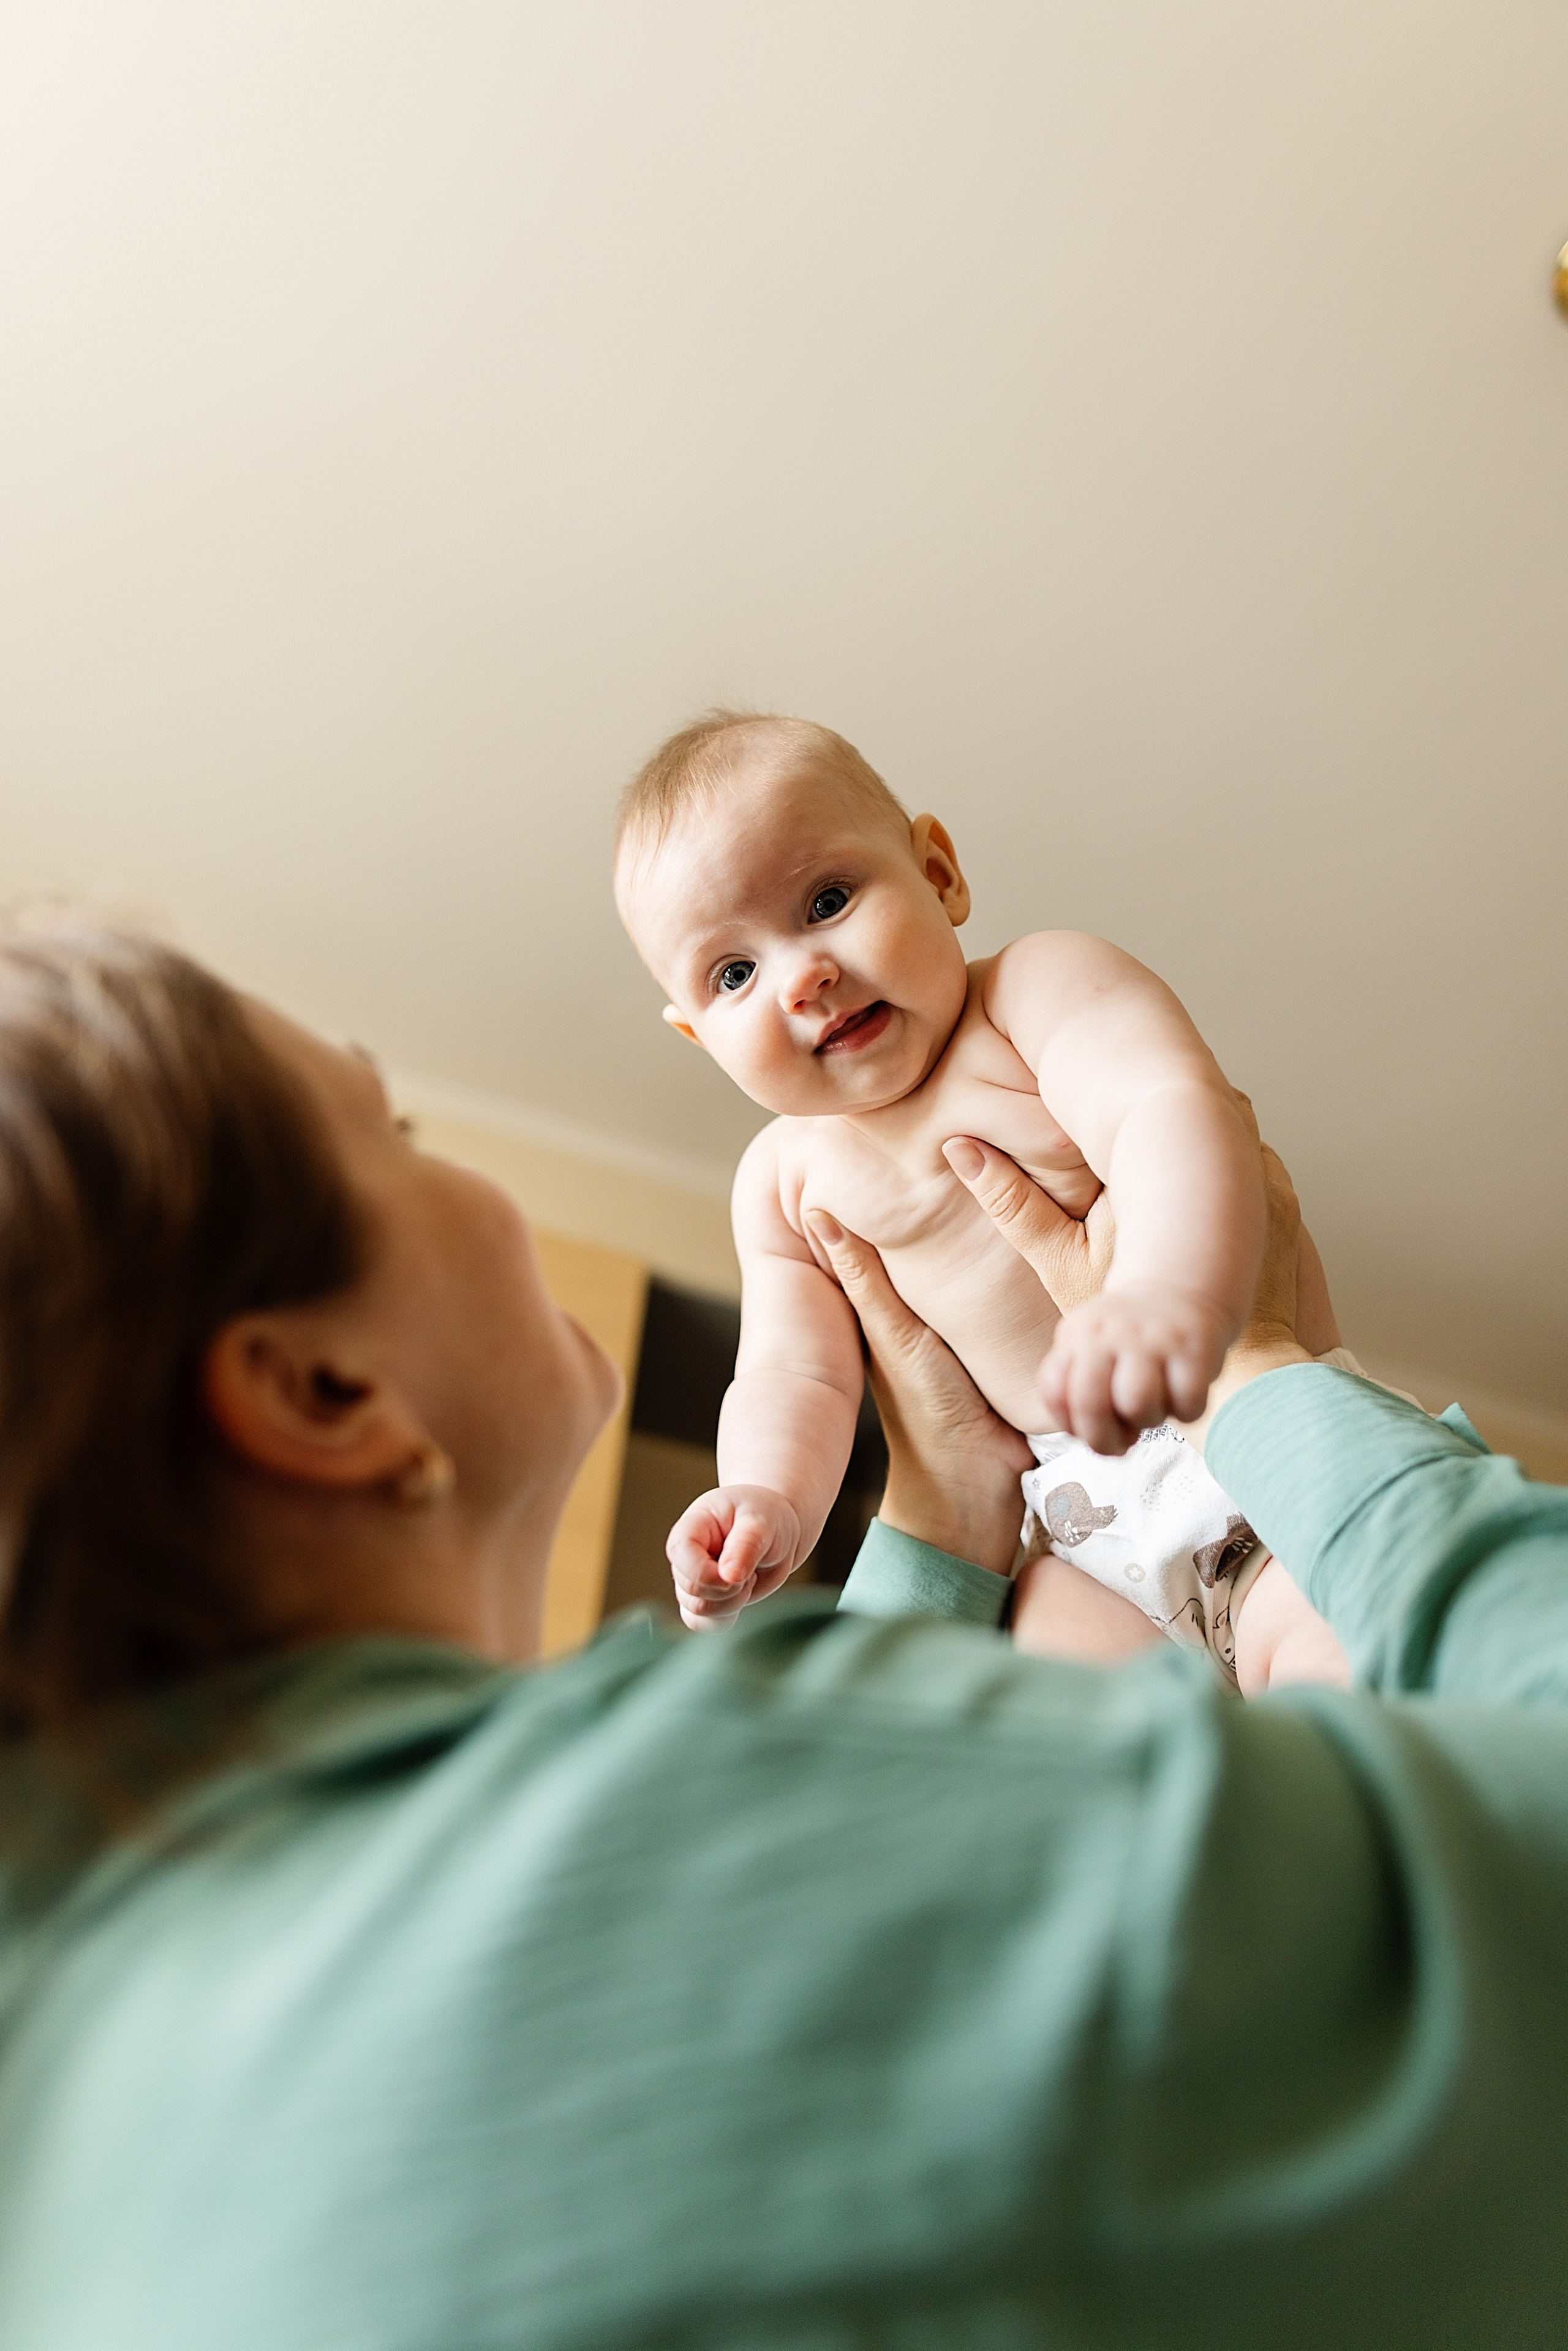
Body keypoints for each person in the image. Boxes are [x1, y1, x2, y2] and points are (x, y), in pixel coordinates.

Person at [0, 916, 1566, 2349]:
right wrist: (1258, 1374)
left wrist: (937, 1523)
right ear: (323, 1392)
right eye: (391, 1131)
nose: (798, 973)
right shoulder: (697, 1798)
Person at [611, 710, 1300, 1649]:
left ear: (938, 873)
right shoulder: (782, 1183)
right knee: (1045, 1654)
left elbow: (1166, 1111)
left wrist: (1168, 1292)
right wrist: (766, 1495)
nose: (802, 977)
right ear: (700, 1037)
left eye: (826, 901)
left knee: (1311, 1641)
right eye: (734, 973)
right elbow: (792, 1372)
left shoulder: (1031, 995)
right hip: (1074, 1527)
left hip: (1234, 1426)